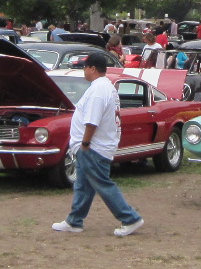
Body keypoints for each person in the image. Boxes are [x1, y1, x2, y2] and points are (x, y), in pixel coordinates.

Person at [52, 53, 144, 237]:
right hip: (96, 145)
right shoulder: (105, 87)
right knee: (83, 184)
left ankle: (130, 218)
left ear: (92, 68)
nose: (84, 71)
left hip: (93, 147)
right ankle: (74, 221)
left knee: (102, 183)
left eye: (85, 67)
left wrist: (85, 142)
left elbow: (92, 121)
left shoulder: (98, 90)